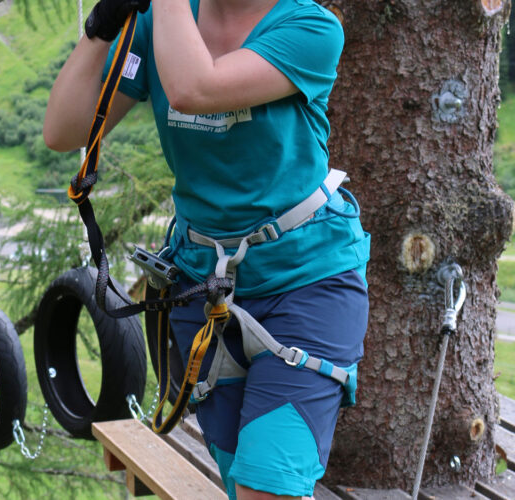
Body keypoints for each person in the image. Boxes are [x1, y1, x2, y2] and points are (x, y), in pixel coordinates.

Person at [43, 0, 370, 498]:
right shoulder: (159, 25)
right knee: (241, 482)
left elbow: (197, 89)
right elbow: (64, 132)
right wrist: (100, 30)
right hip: (206, 288)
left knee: (270, 486)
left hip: (307, 283)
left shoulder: (309, 27)